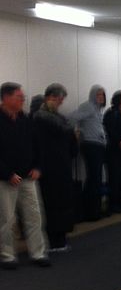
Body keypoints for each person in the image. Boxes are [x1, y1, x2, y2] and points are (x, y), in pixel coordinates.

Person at [0, 82, 50, 268]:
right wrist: (7, 174)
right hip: (5, 180)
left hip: (28, 177)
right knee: (6, 220)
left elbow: (38, 147)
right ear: (5, 98)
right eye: (18, 97)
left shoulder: (26, 120)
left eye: (23, 97)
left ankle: (38, 253)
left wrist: (38, 167)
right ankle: (8, 255)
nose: (22, 100)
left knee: (35, 216)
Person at [33, 83, 78, 252]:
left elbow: (67, 135)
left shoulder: (57, 118)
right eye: (58, 99)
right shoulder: (40, 117)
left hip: (61, 165)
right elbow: (65, 133)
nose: (60, 102)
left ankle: (60, 237)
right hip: (49, 167)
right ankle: (53, 240)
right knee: (52, 204)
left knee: (62, 203)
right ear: (49, 97)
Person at [70, 84, 107, 221]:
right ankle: (90, 212)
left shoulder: (97, 110)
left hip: (98, 146)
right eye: (98, 94)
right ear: (93, 95)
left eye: (103, 94)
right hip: (91, 146)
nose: (101, 97)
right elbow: (72, 117)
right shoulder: (88, 106)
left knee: (96, 179)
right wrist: (76, 132)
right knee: (94, 179)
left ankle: (94, 210)